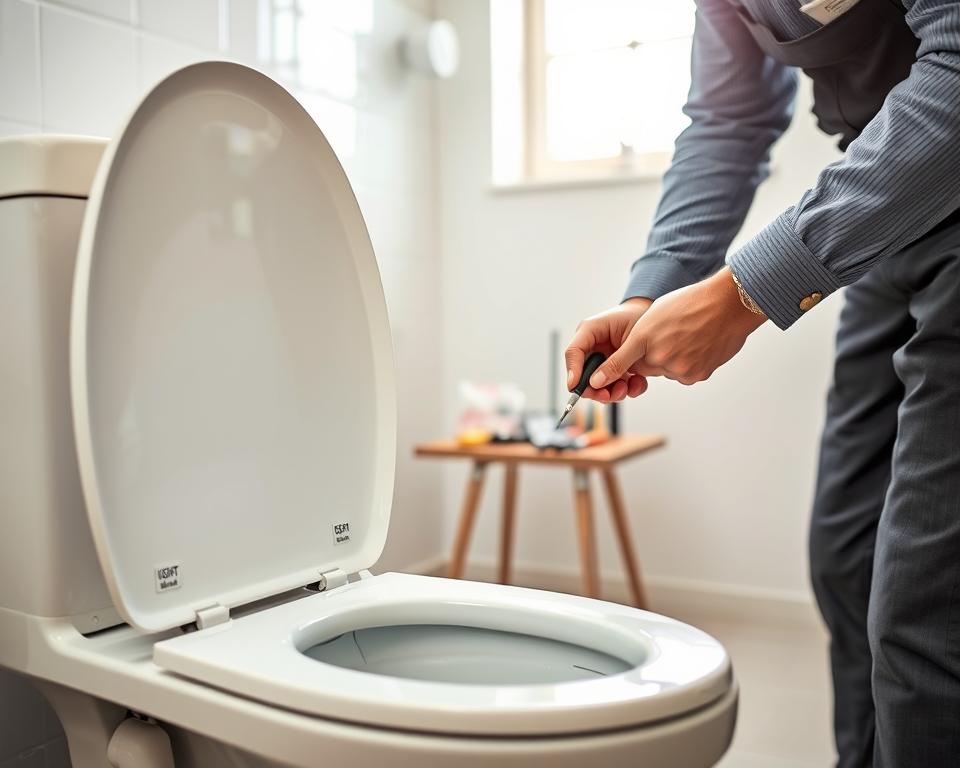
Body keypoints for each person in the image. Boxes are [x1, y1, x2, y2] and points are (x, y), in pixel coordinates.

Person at [563, 1, 960, 766]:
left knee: (926, 605)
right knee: (846, 556)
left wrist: (745, 292)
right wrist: (654, 290)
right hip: (894, 226)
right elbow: (727, 120)